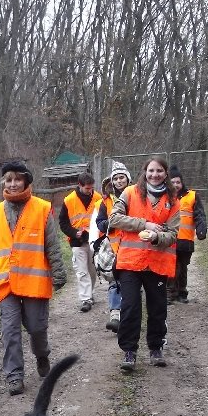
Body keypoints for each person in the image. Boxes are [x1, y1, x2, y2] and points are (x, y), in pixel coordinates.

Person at [0, 161, 67, 396]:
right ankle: (14, 375)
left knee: (37, 327)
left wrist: (59, 271)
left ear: (27, 181)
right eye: (8, 179)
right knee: (10, 331)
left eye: (18, 179)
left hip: (33, 281)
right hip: (5, 280)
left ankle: (42, 354)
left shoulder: (41, 208)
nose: (13, 183)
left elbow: (52, 244)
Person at [109, 156, 180, 371]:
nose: (154, 174)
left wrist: (158, 238)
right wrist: (144, 224)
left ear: (165, 174)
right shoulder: (129, 193)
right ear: (144, 172)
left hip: (158, 263)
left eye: (159, 171)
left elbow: (174, 233)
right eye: (151, 171)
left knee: (157, 308)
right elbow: (114, 219)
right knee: (130, 307)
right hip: (130, 262)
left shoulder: (173, 200)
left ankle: (156, 348)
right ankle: (129, 351)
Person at [95, 161, 131, 332]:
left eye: (121, 177)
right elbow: (99, 223)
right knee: (114, 279)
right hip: (114, 247)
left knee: (131, 282)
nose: (118, 181)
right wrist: (112, 223)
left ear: (127, 179)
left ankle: (129, 314)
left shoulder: (135, 196)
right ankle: (115, 315)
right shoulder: (106, 201)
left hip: (134, 245)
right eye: (115, 178)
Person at [59, 172, 102, 312]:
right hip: (77, 241)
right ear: (80, 185)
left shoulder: (98, 198)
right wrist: (73, 233)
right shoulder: (69, 200)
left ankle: (90, 293)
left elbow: (102, 218)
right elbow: (63, 222)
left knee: (92, 270)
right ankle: (86, 299)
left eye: (91, 188)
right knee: (81, 271)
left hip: (94, 240)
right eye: (87, 188)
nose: (90, 191)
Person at [167, 165, 207, 303]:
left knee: (182, 266)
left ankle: (181, 292)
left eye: (178, 182)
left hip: (186, 239)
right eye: (173, 182)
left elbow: (199, 215)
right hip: (170, 239)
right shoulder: (165, 197)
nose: (176, 185)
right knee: (173, 266)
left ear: (182, 182)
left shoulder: (192, 196)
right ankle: (171, 293)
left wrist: (202, 229)